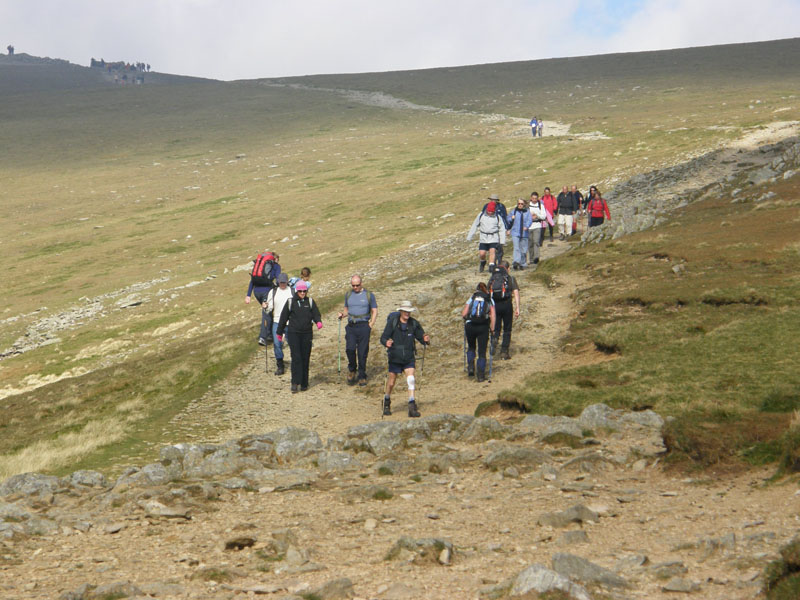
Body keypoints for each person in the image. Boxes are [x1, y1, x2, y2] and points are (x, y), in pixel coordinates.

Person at [380, 300, 430, 418]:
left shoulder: (414, 324)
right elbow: (383, 337)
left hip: (408, 357)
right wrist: (386, 343)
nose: (407, 313)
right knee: (391, 382)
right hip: (395, 357)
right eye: (405, 311)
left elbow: (421, 338)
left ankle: (412, 406)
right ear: (401, 311)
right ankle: (386, 401)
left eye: (409, 311)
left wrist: (425, 339)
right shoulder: (392, 322)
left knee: (411, 379)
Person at [276, 281, 322, 393]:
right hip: (293, 333)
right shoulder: (291, 302)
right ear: (297, 290)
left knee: (305, 358)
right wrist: (279, 333)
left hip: (307, 334)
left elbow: (316, 313)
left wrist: (318, 322)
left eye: (304, 291)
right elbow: (283, 318)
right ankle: (295, 382)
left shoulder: (310, 302)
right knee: (296, 358)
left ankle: (304, 383)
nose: (302, 293)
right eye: (300, 291)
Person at [338, 275, 378, 386]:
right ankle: (352, 369)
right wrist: (342, 315)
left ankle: (362, 375)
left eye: (357, 285)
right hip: (351, 326)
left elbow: (374, 310)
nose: (355, 287)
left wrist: (371, 324)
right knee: (350, 349)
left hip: (364, 326)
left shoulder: (369, 295)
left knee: (362, 352)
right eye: (353, 285)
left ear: (361, 283)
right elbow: (347, 309)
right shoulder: (348, 294)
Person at [245, 250, 281, 345]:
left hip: (256, 292)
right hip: (267, 291)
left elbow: (252, 280)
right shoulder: (276, 266)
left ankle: (269, 335)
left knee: (268, 312)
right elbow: (278, 280)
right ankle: (263, 337)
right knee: (266, 313)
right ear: (275, 259)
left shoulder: (260, 268)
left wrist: (248, 295)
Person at [462, 282, 496, 382]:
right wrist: (492, 329)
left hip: (470, 325)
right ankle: (481, 375)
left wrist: (467, 318)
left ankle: (471, 367)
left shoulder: (472, 297)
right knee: (482, 352)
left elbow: (464, 314)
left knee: (471, 347)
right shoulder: (489, 299)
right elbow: (493, 315)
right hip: (483, 327)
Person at [488, 261, 520, 360]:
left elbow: (488, 292)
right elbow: (516, 293)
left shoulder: (493, 278)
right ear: (508, 268)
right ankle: (504, 352)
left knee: (496, 327)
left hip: (495, 305)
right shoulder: (511, 279)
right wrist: (517, 307)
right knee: (507, 329)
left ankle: (495, 339)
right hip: (507, 305)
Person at [467, 199, 507, 273]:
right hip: (483, 237)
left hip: (493, 237)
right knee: (482, 253)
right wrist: (470, 236)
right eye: (489, 211)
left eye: (492, 211)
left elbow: (502, 229)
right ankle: (483, 262)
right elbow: (474, 225)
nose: (490, 213)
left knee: (492, 251)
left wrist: (502, 241)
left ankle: (491, 266)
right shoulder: (481, 215)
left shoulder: (497, 217)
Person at [265, 273, 293, 376]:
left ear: (287, 282)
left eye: (284, 282)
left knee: (292, 343)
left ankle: (295, 363)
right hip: (277, 322)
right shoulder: (273, 292)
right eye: (280, 282)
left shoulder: (292, 291)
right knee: (277, 344)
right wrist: (265, 307)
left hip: (290, 322)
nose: (282, 284)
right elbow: (269, 308)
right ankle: (280, 365)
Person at [508, 198, 533, 270]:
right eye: (519, 203)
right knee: (516, 248)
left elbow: (529, 220)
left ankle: (523, 263)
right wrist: (511, 218)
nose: (520, 205)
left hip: (524, 233)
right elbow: (508, 219)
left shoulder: (527, 212)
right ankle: (516, 262)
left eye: (521, 204)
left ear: (524, 204)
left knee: (523, 249)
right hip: (515, 232)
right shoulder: (514, 211)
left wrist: (526, 226)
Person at [528, 192, 548, 265]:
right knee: (530, 243)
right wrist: (530, 216)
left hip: (537, 225)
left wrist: (537, 216)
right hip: (529, 226)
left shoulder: (540, 205)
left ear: (537, 198)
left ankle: (536, 257)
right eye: (533, 198)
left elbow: (544, 216)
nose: (534, 200)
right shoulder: (527, 206)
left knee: (536, 242)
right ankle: (531, 258)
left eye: (535, 198)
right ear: (530, 198)